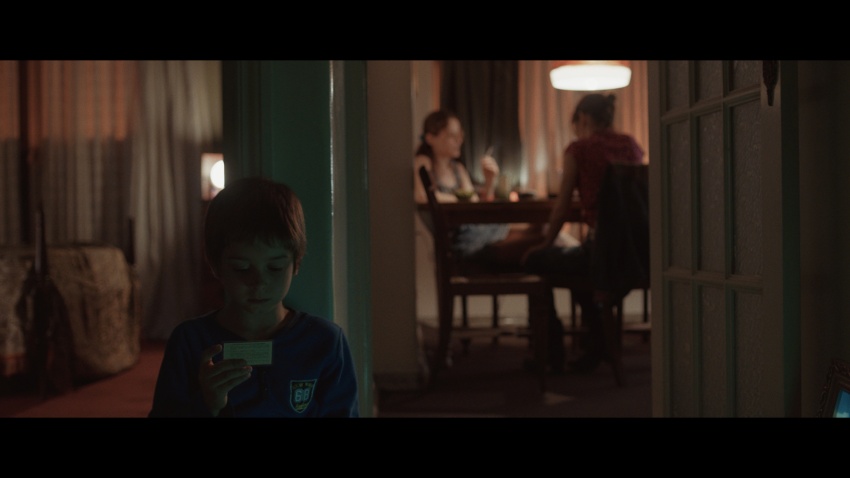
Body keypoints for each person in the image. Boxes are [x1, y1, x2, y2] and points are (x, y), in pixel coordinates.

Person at [149, 177, 359, 417]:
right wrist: (207, 403)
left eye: (275, 268)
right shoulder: (190, 341)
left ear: (296, 263)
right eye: (242, 268)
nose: (259, 283)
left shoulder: (325, 342)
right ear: (216, 265)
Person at [522, 93, 645, 374]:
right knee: (580, 269)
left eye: (575, 125)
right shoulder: (631, 145)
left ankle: (551, 352)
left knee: (536, 261)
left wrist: (545, 243)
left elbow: (562, 207)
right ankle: (597, 340)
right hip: (637, 253)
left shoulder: (579, 149)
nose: (575, 131)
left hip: (603, 254)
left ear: (584, 119)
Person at [413, 109, 544, 270]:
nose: (459, 140)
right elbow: (422, 196)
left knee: (539, 231)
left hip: (478, 232)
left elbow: (474, 206)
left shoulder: (458, 169)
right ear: (430, 138)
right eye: (452, 136)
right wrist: (459, 199)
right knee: (539, 240)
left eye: (460, 135)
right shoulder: (423, 162)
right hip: (464, 242)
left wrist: (489, 181)